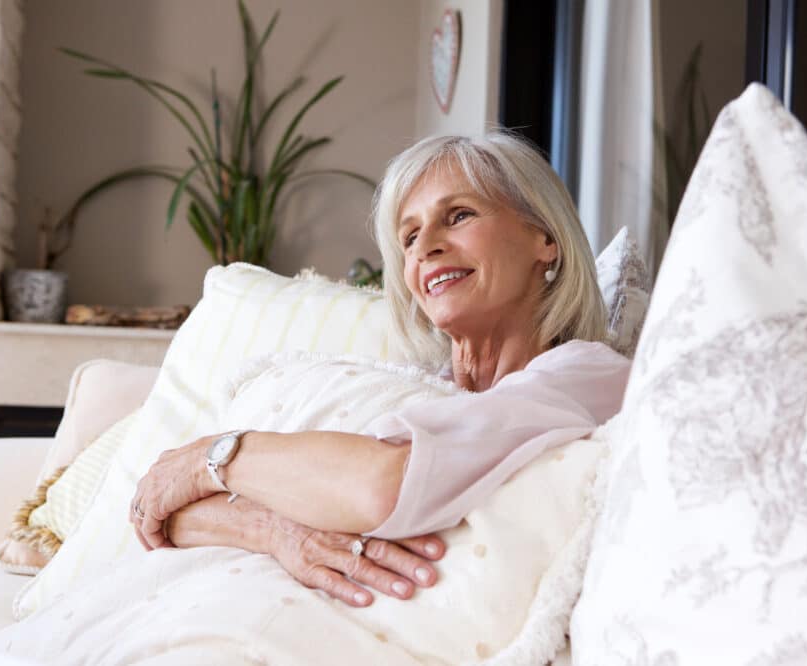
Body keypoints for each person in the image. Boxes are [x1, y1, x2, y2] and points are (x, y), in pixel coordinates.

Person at [129, 132, 631, 608]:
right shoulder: (405, 387)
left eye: (457, 216)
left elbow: (382, 485)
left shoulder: (588, 374)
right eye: (409, 236)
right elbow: (171, 515)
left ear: (545, 237)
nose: (425, 246)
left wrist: (206, 461)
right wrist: (277, 530)